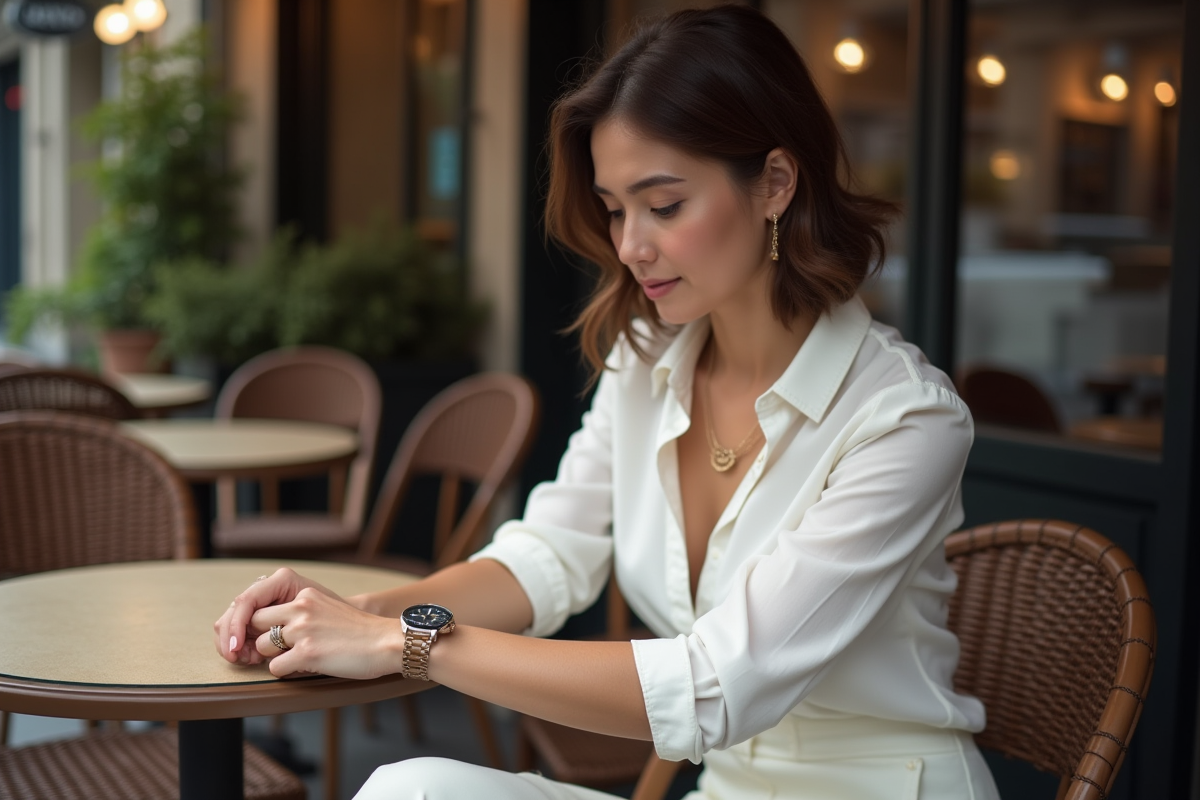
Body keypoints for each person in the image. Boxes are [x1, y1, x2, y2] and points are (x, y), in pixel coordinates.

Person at [215, 6, 1001, 799]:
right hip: (723, 791)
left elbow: (717, 686)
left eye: (663, 206)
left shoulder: (904, 421)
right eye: (615, 208)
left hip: (884, 787)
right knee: (410, 789)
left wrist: (405, 644)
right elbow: (546, 558)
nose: (629, 246)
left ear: (774, 184)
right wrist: (352, 609)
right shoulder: (646, 361)